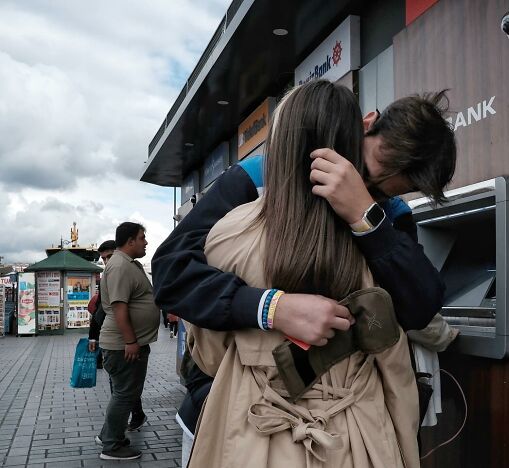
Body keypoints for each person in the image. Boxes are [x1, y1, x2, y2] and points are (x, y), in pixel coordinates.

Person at [153, 85, 457, 465]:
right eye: (367, 175)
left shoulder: (387, 216)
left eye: (383, 192)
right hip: (238, 413)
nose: (367, 189)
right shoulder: (254, 179)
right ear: (365, 125)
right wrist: (270, 307)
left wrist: (365, 214)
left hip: (343, 428)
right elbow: (171, 272)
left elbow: (421, 307)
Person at [97, 223, 160, 461]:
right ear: (130, 241)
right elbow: (119, 306)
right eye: (142, 238)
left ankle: (109, 436)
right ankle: (112, 446)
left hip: (126, 343)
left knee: (123, 394)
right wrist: (131, 341)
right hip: (123, 345)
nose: (146, 242)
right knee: (124, 395)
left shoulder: (129, 264)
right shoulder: (120, 266)